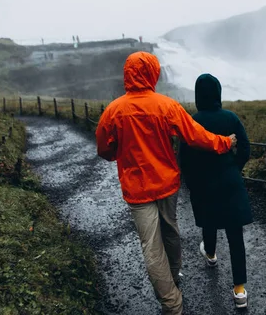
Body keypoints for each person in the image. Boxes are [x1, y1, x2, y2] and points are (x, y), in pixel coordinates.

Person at [95, 52, 237, 315]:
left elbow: (104, 148)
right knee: (170, 233)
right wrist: (225, 143)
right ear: (152, 73)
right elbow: (196, 136)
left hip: (137, 190)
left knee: (151, 245)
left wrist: (120, 154)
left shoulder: (113, 111)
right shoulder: (166, 105)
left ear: (127, 74)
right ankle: (172, 286)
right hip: (167, 184)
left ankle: (171, 300)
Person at [179, 74, 252, 309]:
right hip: (230, 181)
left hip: (204, 183)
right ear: (218, 93)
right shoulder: (231, 117)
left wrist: (191, 181)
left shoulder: (192, 121)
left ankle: (210, 255)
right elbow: (246, 147)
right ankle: (240, 291)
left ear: (198, 95)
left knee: (209, 221)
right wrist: (234, 167)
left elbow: (185, 157)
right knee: (235, 235)